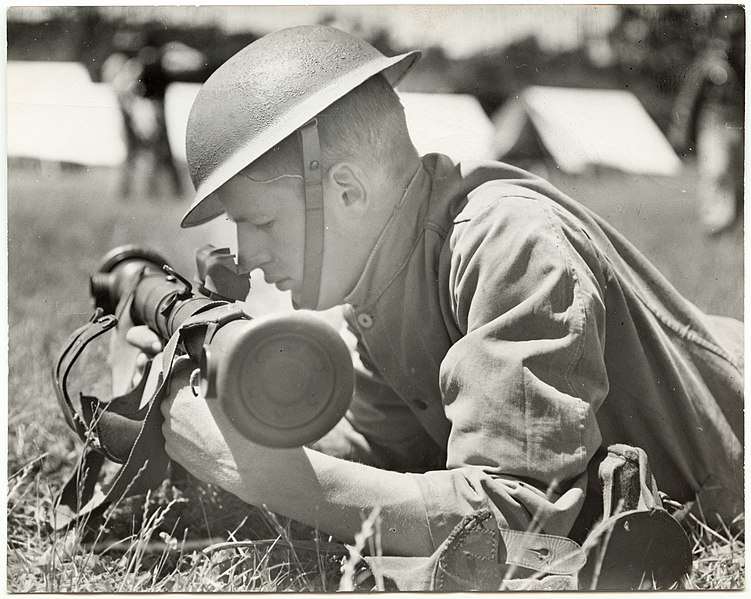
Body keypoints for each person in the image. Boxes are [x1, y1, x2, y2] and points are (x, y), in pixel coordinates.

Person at [116, 25, 743, 588]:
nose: (246, 255)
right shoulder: (386, 274)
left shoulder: (508, 242)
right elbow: (378, 445)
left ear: (347, 192)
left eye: (259, 223)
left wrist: (256, 469)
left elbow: (513, 521)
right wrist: (226, 405)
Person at [669, 8, 745, 235]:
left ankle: (731, 225)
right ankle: (713, 224)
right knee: (715, 170)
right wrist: (680, 129)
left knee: (737, 176)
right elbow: (688, 100)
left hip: (737, 126)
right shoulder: (707, 65)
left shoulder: (740, 65)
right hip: (712, 125)